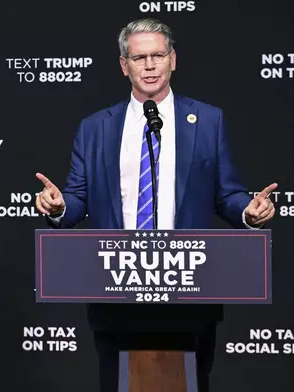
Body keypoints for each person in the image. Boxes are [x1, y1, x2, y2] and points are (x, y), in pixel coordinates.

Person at [34, 18, 276, 392]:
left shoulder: (208, 121)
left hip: (190, 286)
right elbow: (78, 198)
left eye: (157, 56)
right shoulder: (95, 127)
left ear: (173, 60)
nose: (149, 65)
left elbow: (226, 194)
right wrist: (58, 206)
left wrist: (249, 212)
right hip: (117, 284)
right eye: (139, 57)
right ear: (123, 65)